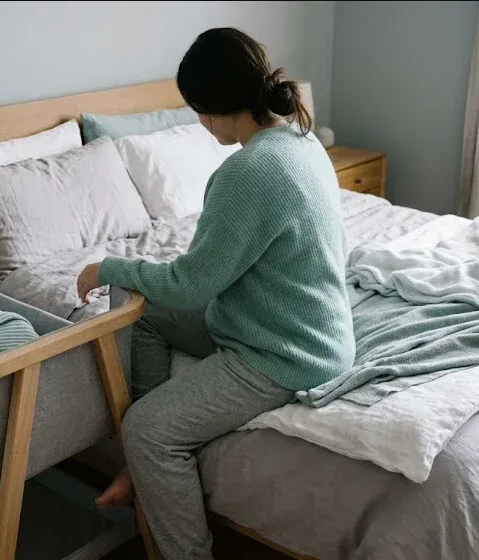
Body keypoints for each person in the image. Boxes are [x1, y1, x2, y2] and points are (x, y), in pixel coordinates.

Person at [75, 27, 355, 559]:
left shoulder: (247, 172)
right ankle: (145, 468)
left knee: (147, 430)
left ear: (215, 106)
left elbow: (191, 285)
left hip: (285, 352)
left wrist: (107, 266)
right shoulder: (303, 140)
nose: (200, 123)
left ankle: (157, 483)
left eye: (199, 110)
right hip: (308, 323)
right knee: (144, 313)